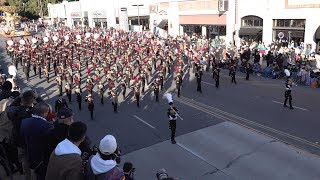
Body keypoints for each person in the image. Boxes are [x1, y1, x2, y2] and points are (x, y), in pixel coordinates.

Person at [20, 102, 54, 179]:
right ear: (45, 113)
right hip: (42, 160)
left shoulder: (24, 121)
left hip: (30, 156)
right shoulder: (48, 126)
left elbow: (22, 138)